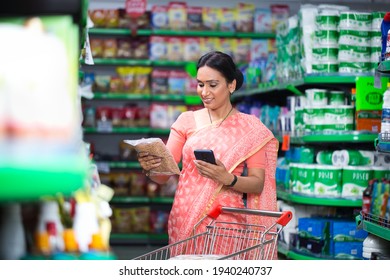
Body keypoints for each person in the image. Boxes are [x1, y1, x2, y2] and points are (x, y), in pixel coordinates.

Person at [137, 51, 279, 258]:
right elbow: (163, 176)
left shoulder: (251, 127)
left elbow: (258, 183)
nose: (204, 92)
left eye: (212, 85)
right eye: (200, 84)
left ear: (231, 85)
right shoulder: (186, 121)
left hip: (226, 223)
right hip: (184, 217)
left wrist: (227, 178)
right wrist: (151, 167)